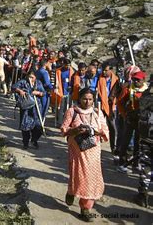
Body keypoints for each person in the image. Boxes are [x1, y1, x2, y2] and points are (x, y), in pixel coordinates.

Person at [60, 88, 109, 222]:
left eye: (90, 99)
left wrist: (95, 132)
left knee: (91, 178)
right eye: (84, 99)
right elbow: (64, 129)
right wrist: (75, 130)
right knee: (78, 175)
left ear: (94, 100)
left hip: (93, 151)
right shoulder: (72, 111)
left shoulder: (97, 113)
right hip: (77, 151)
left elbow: (105, 130)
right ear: (79, 99)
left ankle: (85, 208)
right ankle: (71, 191)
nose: (87, 102)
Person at [117, 70, 149, 173]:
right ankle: (122, 163)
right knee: (126, 141)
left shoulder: (147, 91)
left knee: (138, 142)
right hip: (130, 119)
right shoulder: (127, 89)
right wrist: (124, 114)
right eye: (134, 79)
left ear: (143, 80)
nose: (135, 81)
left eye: (137, 80)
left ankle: (135, 163)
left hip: (142, 121)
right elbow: (120, 102)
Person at [12, 70, 46, 149]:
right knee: (25, 126)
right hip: (26, 108)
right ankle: (25, 143)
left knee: (38, 126)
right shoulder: (23, 82)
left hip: (36, 107)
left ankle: (34, 140)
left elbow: (43, 92)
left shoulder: (38, 83)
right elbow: (13, 87)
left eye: (32, 77)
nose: (30, 79)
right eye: (29, 77)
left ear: (35, 77)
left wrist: (38, 93)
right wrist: (20, 91)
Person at [96, 62, 120, 157]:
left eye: (106, 70)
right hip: (101, 104)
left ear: (111, 70)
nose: (104, 72)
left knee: (112, 126)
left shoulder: (117, 80)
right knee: (99, 125)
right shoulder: (100, 79)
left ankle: (113, 147)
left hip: (112, 106)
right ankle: (96, 145)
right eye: (103, 70)